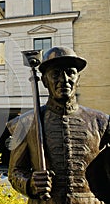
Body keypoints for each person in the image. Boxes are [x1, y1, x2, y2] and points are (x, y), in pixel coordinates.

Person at [7, 46, 110, 204]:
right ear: (44, 81)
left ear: (78, 78)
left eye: (70, 72)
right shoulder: (27, 123)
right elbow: (15, 172)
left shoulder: (101, 121)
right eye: (55, 74)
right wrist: (30, 183)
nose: (64, 79)